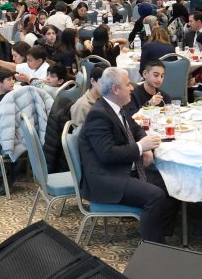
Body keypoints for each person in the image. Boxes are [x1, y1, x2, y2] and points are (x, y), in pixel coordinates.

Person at [76, 68, 177, 243]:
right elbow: (107, 154)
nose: (132, 88)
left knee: (173, 184)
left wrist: (145, 148)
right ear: (116, 89)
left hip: (121, 169)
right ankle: (153, 247)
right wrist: (140, 147)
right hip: (105, 179)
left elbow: (136, 129)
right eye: (128, 84)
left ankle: (160, 233)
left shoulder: (117, 108)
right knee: (155, 196)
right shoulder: (99, 115)